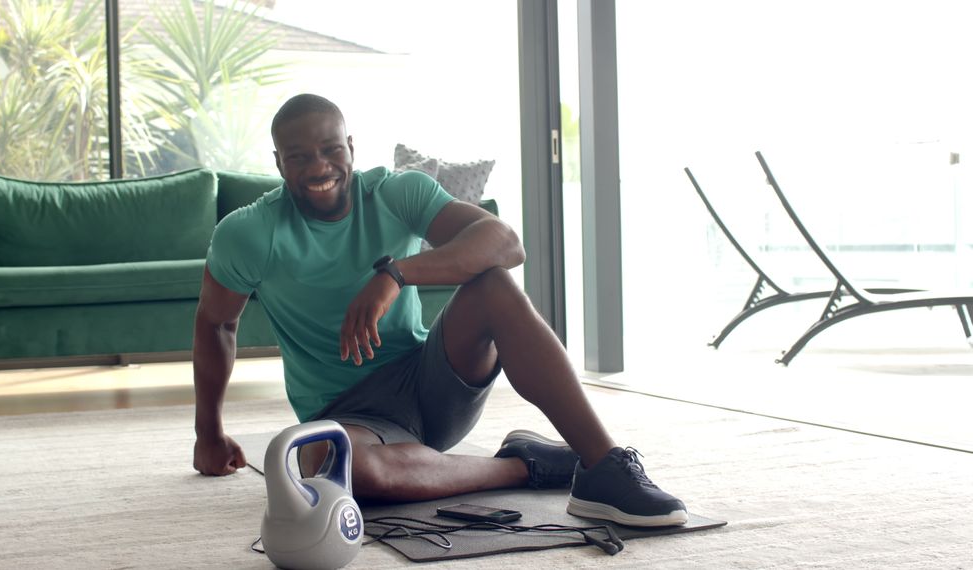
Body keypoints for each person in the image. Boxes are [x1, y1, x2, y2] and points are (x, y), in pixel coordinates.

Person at [192, 93, 688, 527]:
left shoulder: (395, 191)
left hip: (430, 384)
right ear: (279, 163)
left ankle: (603, 466)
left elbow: (505, 243)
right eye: (299, 156)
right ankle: (528, 465)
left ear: (351, 148)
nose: (319, 167)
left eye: (330, 149)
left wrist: (395, 274)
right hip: (344, 414)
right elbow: (217, 324)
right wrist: (208, 433)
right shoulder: (249, 233)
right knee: (341, 470)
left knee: (493, 283)